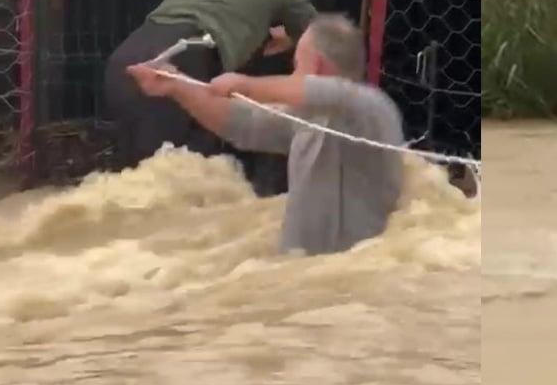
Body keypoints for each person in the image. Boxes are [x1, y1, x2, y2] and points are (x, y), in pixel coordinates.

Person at [124, 13, 406, 257]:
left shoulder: (371, 109)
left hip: (355, 286)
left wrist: (245, 85)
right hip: (310, 280)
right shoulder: (308, 117)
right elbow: (240, 123)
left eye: (298, 64)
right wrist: (175, 85)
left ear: (317, 65)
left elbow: (334, 92)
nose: (293, 72)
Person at [103, 0, 317, 194]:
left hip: (125, 61)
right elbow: (319, 37)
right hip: (178, 60)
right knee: (185, 187)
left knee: (138, 185)